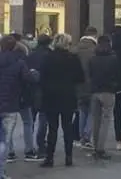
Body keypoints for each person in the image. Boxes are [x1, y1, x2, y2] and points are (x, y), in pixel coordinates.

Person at [40, 33, 85, 168]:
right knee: (67, 127)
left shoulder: (48, 58)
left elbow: (42, 77)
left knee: (52, 128)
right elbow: (80, 78)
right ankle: (68, 157)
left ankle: (49, 157)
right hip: (68, 96)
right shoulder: (73, 58)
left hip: (51, 96)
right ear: (68, 44)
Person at [0, 36, 38, 176]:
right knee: (5, 139)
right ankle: (1, 172)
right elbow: (30, 79)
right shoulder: (19, 63)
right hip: (10, 105)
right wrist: (35, 74)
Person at [88, 35, 119, 160]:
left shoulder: (92, 59)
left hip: (95, 91)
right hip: (108, 91)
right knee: (105, 121)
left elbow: (89, 74)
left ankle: (95, 147)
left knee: (96, 120)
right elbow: (117, 74)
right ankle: (101, 148)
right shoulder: (114, 59)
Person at [25, 35, 52, 160]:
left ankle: (29, 146)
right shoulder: (50, 55)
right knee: (44, 119)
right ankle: (41, 144)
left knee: (31, 120)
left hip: (31, 90)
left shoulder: (30, 55)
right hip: (46, 90)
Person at [73, 26, 98, 149]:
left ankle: (81, 136)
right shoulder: (95, 50)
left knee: (82, 111)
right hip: (91, 84)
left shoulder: (76, 49)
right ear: (94, 36)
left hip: (78, 85)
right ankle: (87, 136)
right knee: (92, 112)